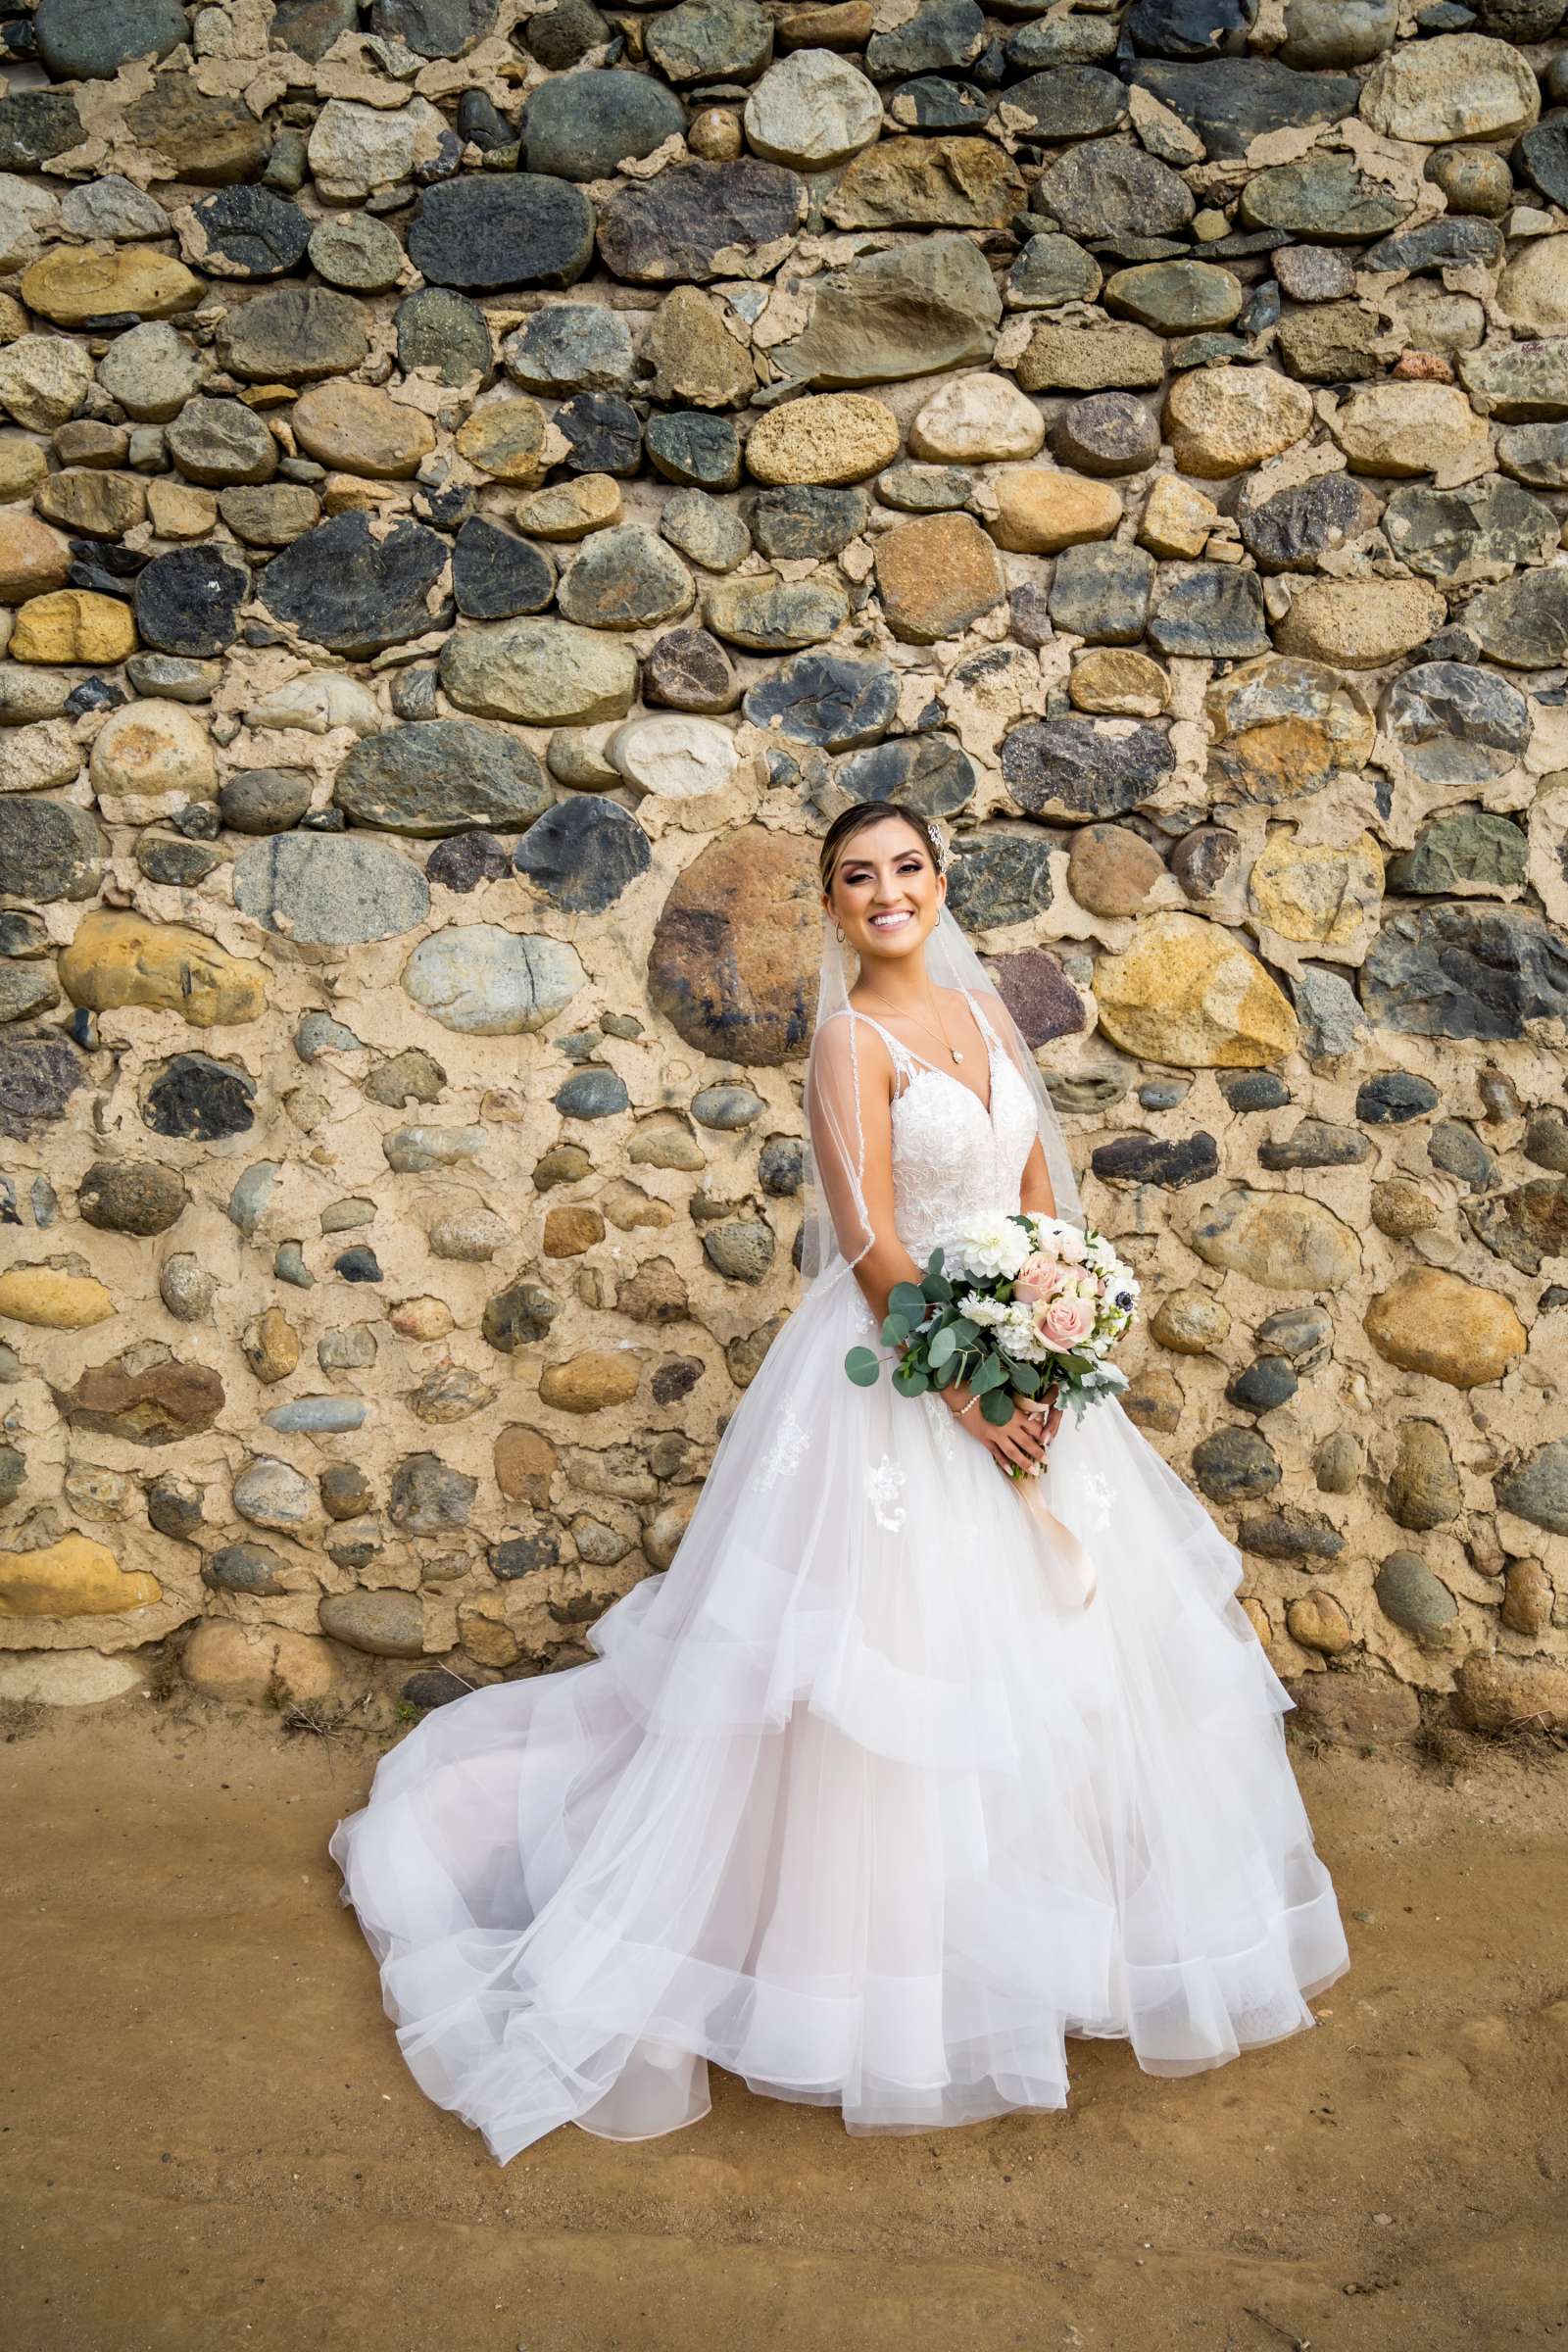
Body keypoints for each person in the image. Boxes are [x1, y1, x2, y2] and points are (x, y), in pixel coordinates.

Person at [327, 800, 1350, 2160]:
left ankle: (1062, 1953)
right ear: (830, 908)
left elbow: (1044, 1188)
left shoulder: (988, 1023)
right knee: (889, 1685)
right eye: (857, 878)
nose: (887, 893)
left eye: (907, 869)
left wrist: (1058, 1326)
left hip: (1021, 1362)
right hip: (905, 1373)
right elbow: (870, 1234)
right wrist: (972, 1390)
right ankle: (877, 1985)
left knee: (1071, 1662)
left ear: (941, 884)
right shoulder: (848, 1039)